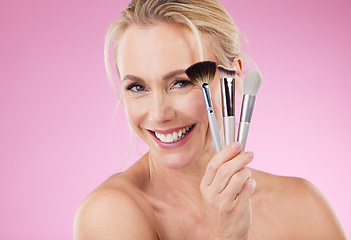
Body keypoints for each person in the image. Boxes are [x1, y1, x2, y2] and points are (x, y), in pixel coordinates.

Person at [73, 0, 346, 239]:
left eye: (180, 83)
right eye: (137, 87)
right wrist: (225, 236)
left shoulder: (302, 206)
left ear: (234, 75)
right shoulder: (110, 214)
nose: (158, 114)